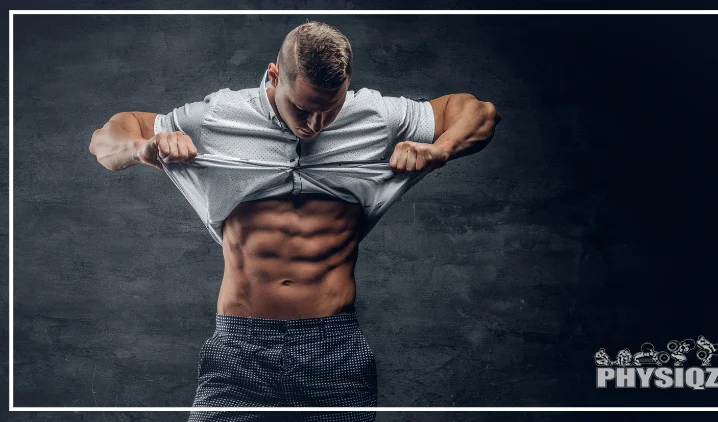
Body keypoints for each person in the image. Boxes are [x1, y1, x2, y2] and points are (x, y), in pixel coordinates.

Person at [89, 20, 501, 422]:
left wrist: (439, 149)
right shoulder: (217, 116)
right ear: (273, 75)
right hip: (239, 347)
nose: (314, 125)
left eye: (330, 108)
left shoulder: (377, 115)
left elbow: (478, 112)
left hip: (333, 349)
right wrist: (144, 146)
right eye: (302, 108)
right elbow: (105, 140)